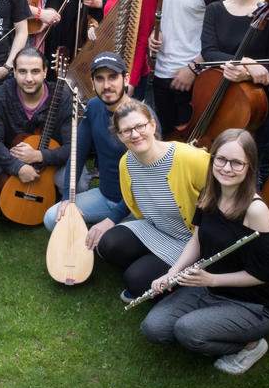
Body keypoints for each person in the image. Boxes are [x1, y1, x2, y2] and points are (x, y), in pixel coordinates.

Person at [140, 128, 269, 375]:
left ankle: (252, 343)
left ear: (250, 166)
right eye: (221, 160)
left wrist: (212, 278)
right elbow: (197, 238)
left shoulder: (255, 210)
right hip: (207, 288)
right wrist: (172, 272)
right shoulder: (210, 193)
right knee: (153, 328)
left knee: (187, 331)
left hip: (250, 304)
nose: (227, 168)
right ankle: (208, 324)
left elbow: (264, 274)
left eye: (237, 163)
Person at [89, 100, 208, 301]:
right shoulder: (126, 164)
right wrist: (109, 221)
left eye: (140, 126)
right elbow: (133, 201)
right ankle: (153, 263)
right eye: (126, 131)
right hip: (156, 229)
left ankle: (175, 272)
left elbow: (230, 191)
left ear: (152, 125)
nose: (135, 134)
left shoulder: (189, 158)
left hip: (191, 240)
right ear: (119, 135)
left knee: (135, 281)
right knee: (108, 244)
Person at [201, 0, 269, 188]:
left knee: (256, 168)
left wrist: (251, 73)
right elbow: (209, 52)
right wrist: (247, 62)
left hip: (259, 106)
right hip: (220, 99)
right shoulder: (215, 10)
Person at [44, 52, 154, 232]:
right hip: (105, 197)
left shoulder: (142, 117)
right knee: (52, 218)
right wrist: (67, 198)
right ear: (93, 83)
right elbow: (77, 154)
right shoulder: (94, 107)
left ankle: (103, 230)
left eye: (113, 78)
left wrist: (112, 218)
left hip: (137, 206)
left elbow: (147, 180)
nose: (107, 85)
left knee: (109, 246)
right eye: (100, 79)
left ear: (126, 79)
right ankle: (93, 228)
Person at [147, 0, 228, 135]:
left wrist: (194, 68)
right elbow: (160, 17)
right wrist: (152, 37)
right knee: (165, 140)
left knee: (192, 143)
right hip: (160, 73)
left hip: (193, 77)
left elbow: (222, 37)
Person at [0, 47, 73, 194]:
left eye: (35, 71)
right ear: (13, 72)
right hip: (9, 157)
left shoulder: (62, 98)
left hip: (51, 163)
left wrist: (38, 156)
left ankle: (55, 202)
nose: (29, 79)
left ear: (45, 72)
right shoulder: (1, 95)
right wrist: (17, 166)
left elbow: (71, 146)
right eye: (22, 71)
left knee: (79, 180)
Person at [94, 0, 158, 96]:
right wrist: (96, 29)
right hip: (112, 64)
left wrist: (131, 81)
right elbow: (109, 24)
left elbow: (142, 40)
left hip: (133, 71)